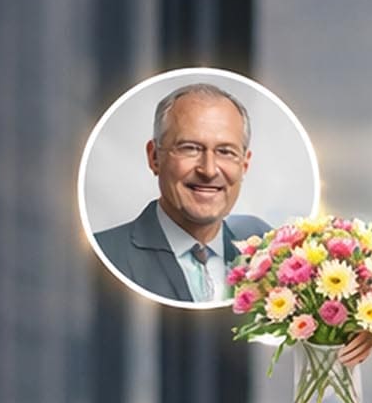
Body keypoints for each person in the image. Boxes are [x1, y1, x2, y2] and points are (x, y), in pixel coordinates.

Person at [92, 83, 272, 307]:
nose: (208, 170)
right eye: (190, 148)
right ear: (154, 157)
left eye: (225, 151)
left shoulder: (268, 252)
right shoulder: (102, 257)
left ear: (244, 165)